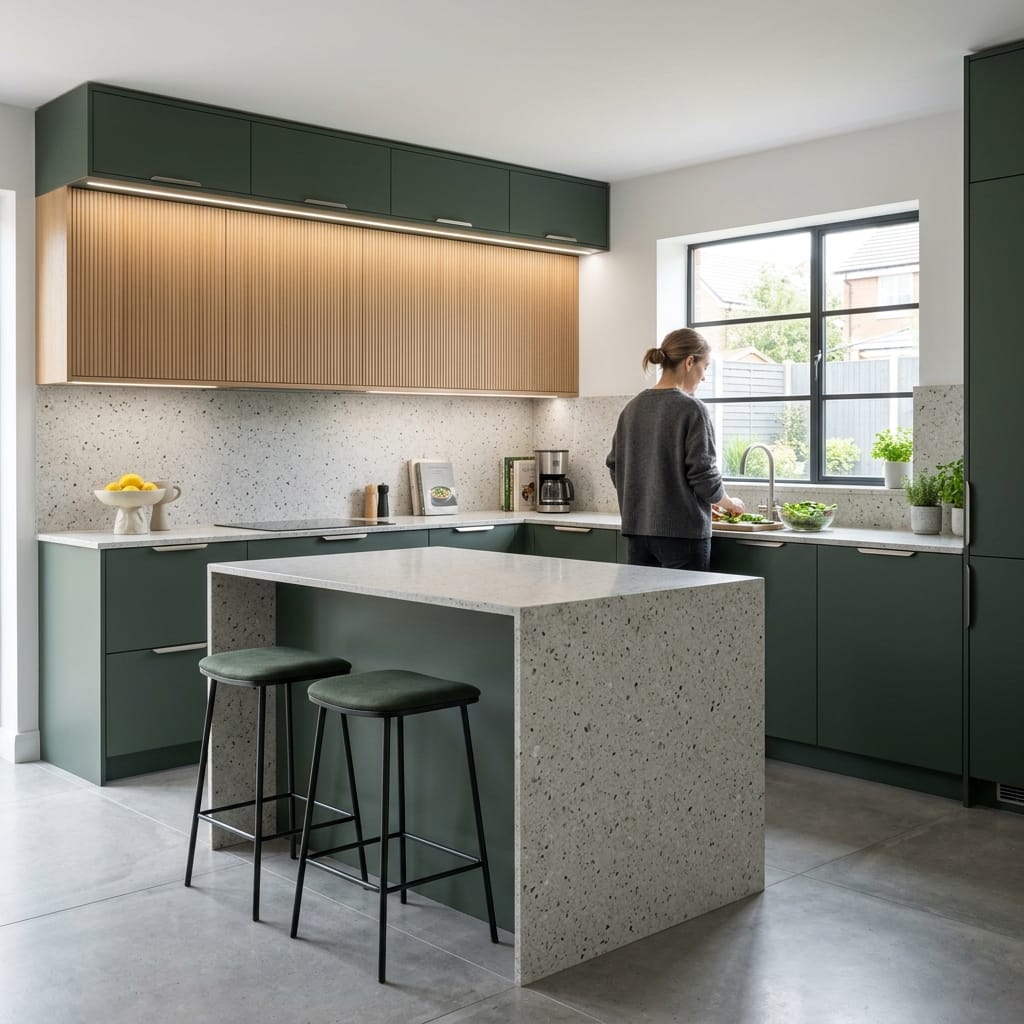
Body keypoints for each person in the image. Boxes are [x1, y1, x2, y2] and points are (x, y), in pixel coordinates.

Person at [606, 328, 745, 571]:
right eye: (706, 367)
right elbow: (703, 475)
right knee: (687, 609)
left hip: (637, 534)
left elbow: (614, 465)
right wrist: (728, 502)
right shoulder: (692, 409)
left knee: (644, 608)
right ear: (690, 362)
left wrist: (647, 498)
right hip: (683, 537)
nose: (704, 377)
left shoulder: (632, 408)